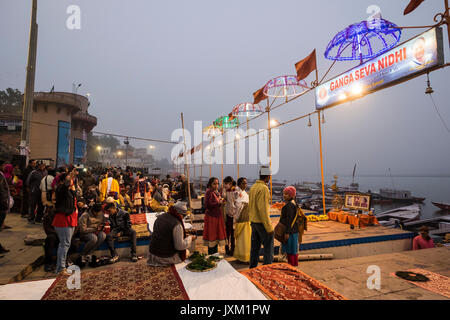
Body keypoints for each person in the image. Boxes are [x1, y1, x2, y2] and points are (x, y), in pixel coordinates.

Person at [147, 201, 196, 266]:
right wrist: (190, 238)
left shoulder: (161, 217)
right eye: (184, 216)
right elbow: (180, 246)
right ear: (181, 214)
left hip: (152, 254)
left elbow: (166, 234)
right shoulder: (177, 224)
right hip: (164, 257)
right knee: (187, 252)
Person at [52, 170, 78, 276]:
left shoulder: (69, 191)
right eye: (69, 179)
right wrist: (69, 177)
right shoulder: (60, 189)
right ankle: (60, 268)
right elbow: (65, 185)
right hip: (63, 220)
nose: (71, 181)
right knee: (64, 244)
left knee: (65, 244)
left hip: (70, 219)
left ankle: (60, 267)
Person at [248, 167, 274, 268]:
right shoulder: (264, 188)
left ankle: (252, 268)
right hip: (262, 223)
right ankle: (267, 269)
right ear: (268, 176)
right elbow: (263, 209)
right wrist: (269, 227)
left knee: (254, 248)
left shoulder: (254, 187)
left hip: (254, 222)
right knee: (268, 249)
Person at [202, 177, 227, 255]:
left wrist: (221, 201)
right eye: (214, 184)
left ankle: (215, 254)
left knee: (216, 237)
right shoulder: (209, 192)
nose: (216, 185)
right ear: (210, 184)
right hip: (211, 217)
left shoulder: (215, 192)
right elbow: (207, 205)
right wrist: (218, 203)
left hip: (217, 216)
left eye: (217, 183)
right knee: (212, 237)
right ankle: (211, 255)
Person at [279, 186, 301, 266]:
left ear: (291, 195)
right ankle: (293, 265)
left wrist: (287, 232)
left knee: (291, 251)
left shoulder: (289, 206)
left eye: (286, 194)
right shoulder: (293, 203)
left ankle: (292, 266)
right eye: (284, 194)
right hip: (294, 230)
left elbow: (289, 220)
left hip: (291, 231)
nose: (284, 195)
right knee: (292, 250)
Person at [233, 177, 251, 263]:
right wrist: (236, 218)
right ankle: (242, 258)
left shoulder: (244, 193)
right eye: (243, 183)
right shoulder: (238, 193)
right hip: (241, 219)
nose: (245, 185)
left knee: (246, 240)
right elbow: (238, 207)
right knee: (242, 240)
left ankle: (245, 257)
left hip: (246, 219)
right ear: (239, 184)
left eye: (246, 183)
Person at [223, 176, 238, 256]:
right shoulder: (226, 191)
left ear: (231, 183)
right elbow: (224, 197)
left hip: (234, 215)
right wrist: (225, 190)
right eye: (224, 184)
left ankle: (233, 249)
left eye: (226, 183)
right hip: (228, 215)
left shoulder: (235, 190)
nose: (225, 185)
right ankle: (227, 248)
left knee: (233, 234)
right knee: (227, 233)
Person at [0, 160, 12, 234]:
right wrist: (4, 200)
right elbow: (1, 188)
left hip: (3, 197)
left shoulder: (1, 173)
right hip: (1, 198)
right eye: (3, 165)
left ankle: (2, 224)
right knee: (2, 213)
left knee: (2, 213)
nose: (5, 167)